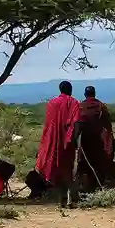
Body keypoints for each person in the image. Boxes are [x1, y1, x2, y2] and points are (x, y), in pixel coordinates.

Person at [35, 80, 81, 208]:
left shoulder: (52, 103)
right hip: (67, 141)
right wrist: (75, 139)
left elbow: (48, 124)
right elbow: (76, 123)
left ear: (60, 90)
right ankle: (69, 199)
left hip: (53, 141)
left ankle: (61, 199)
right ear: (70, 90)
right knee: (68, 169)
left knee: (56, 169)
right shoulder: (74, 102)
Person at [77, 85, 115, 192]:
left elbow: (76, 125)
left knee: (83, 163)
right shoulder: (101, 106)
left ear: (85, 95)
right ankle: (99, 184)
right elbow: (107, 128)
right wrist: (110, 145)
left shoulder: (79, 106)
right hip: (97, 142)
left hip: (83, 142)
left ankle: (84, 186)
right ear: (94, 94)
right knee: (99, 163)